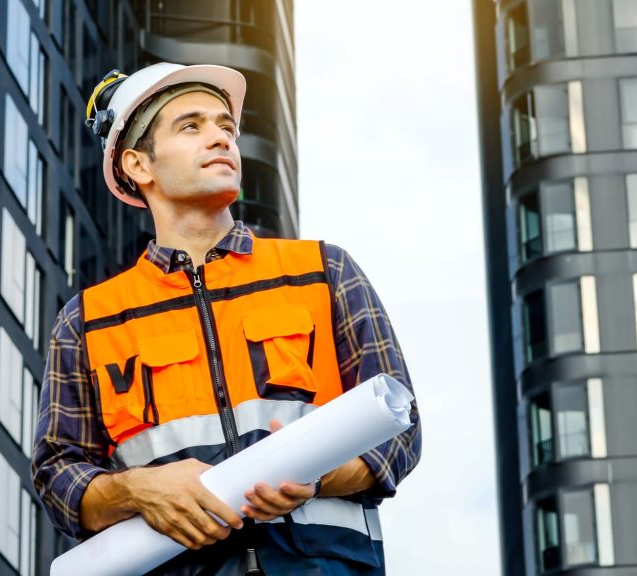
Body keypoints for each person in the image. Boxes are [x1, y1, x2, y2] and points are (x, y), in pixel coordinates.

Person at [31, 63, 421, 574]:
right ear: (138, 165)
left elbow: (401, 428)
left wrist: (318, 477)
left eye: (225, 127)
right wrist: (133, 489)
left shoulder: (324, 272)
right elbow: (59, 477)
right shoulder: (90, 320)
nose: (219, 138)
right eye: (191, 127)